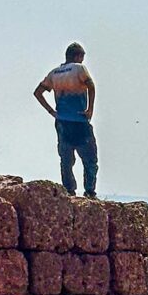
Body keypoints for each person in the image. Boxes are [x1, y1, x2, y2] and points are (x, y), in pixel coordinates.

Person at [33, 42, 98, 197]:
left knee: (66, 158)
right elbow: (91, 86)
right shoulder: (79, 68)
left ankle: (69, 191)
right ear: (77, 56)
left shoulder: (54, 73)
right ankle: (89, 192)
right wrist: (90, 109)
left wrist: (51, 111)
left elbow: (38, 92)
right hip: (80, 121)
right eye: (82, 57)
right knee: (90, 159)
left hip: (62, 121)